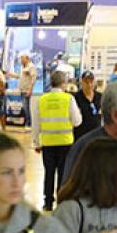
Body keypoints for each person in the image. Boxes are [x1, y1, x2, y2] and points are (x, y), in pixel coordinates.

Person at [34, 71, 82, 212]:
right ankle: (61, 201)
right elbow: (77, 121)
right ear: (63, 83)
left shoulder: (42, 99)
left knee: (49, 173)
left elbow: (36, 124)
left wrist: (36, 142)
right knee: (63, 173)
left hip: (48, 143)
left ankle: (48, 202)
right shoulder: (69, 99)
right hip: (65, 142)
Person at [73, 70, 102, 141]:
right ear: (82, 83)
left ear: (94, 82)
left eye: (91, 82)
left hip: (96, 135)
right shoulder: (75, 97)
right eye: (86, 82)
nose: (89, 85)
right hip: (81, 136)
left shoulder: (100, 96)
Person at [16, 53, 39, 129]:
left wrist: (30, 89)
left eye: (22, 59)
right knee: (25, 107)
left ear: (27, 59)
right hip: (22, 90)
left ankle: (29, 124)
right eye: (21, 59)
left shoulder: (31, 67)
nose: (21, 61)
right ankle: (27, 123)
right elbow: (19, 76)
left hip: (26, 91)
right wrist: (9, 74)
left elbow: (33, 78)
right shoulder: (23, 67)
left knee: (26, 108)